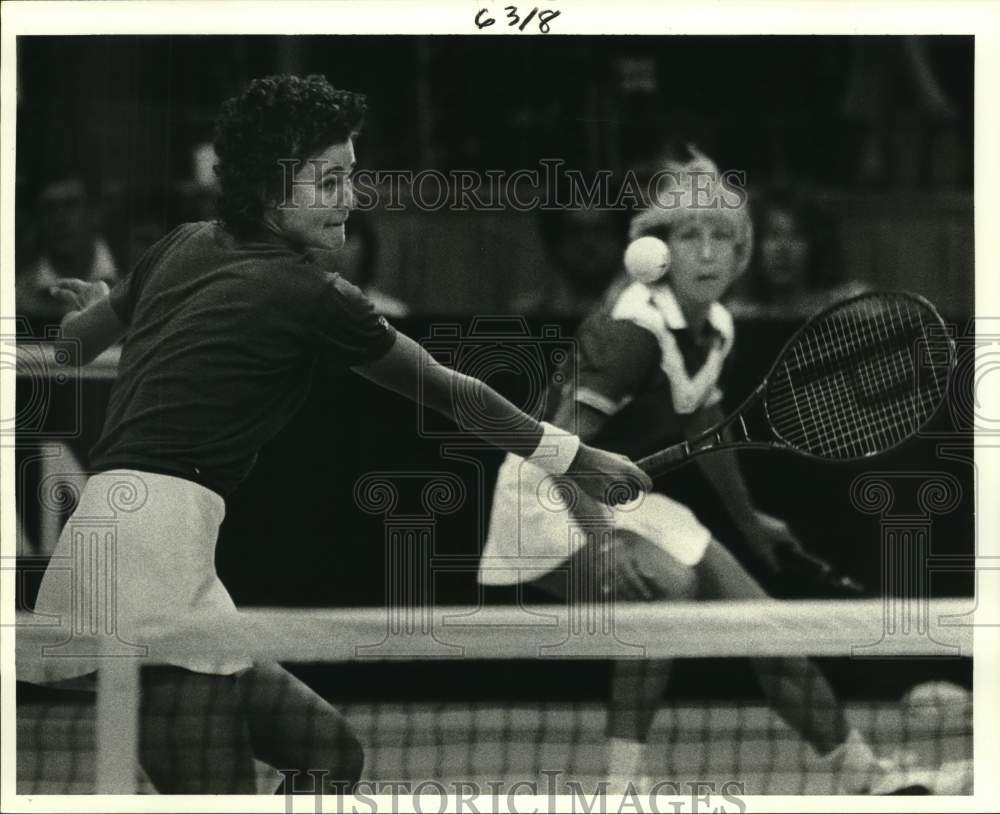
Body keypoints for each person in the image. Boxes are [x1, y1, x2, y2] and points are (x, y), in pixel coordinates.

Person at [17, 74, 650, 795]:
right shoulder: (313, 293)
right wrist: (578, 457)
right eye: (328, 182)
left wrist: (104, 303)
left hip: (138, 545)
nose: (350, 199)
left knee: (330, 755)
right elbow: (450, 393)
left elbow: (70, 345)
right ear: (267, 188)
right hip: (146, 564)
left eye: (350, 177)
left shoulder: (178, 247)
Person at [479, 147, 915, 795]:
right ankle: (622, 790)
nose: (709, 253)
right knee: (669, 588)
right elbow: (559, 449)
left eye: (724, 237)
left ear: (742, 254)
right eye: (690, 235)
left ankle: (864, 776)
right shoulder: (633, 332)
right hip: (548, 496)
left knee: (765, 627)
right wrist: (601, 543)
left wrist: (748, 521)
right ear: (657, 250)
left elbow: (703, 430)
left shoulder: (715, 326)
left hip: (620, 492)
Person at [15, 176, 120, 326]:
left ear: (94, 214)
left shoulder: (130, 280)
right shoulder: (19, 295)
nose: (60, 219)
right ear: (38, 220)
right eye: (50, 208)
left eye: (71, 205)